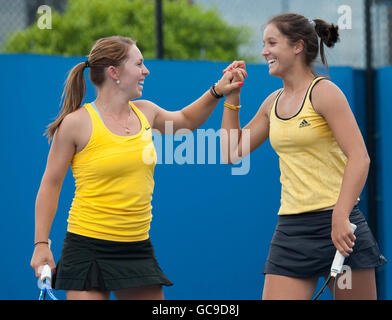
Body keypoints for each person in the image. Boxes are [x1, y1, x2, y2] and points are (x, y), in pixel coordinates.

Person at [30, 35, 245, 300]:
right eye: (139, 63)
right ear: (114, 72)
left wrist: (217, 90)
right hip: (86, 248)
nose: (146, 70)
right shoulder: (76, 123)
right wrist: (41, 244)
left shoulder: (145, 111)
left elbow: (187, 119)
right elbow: (51, 184)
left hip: (136, 247)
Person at [220, 13, 386, 300]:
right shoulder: (271, 103)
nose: (264, 51)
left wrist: (340, 215)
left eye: (272, 43)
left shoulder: (324, 93)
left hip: (340, 229)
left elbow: (360, 158)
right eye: (263, 44)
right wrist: (232, 97)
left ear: (297, 46)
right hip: (292, 234)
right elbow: (230, 152)